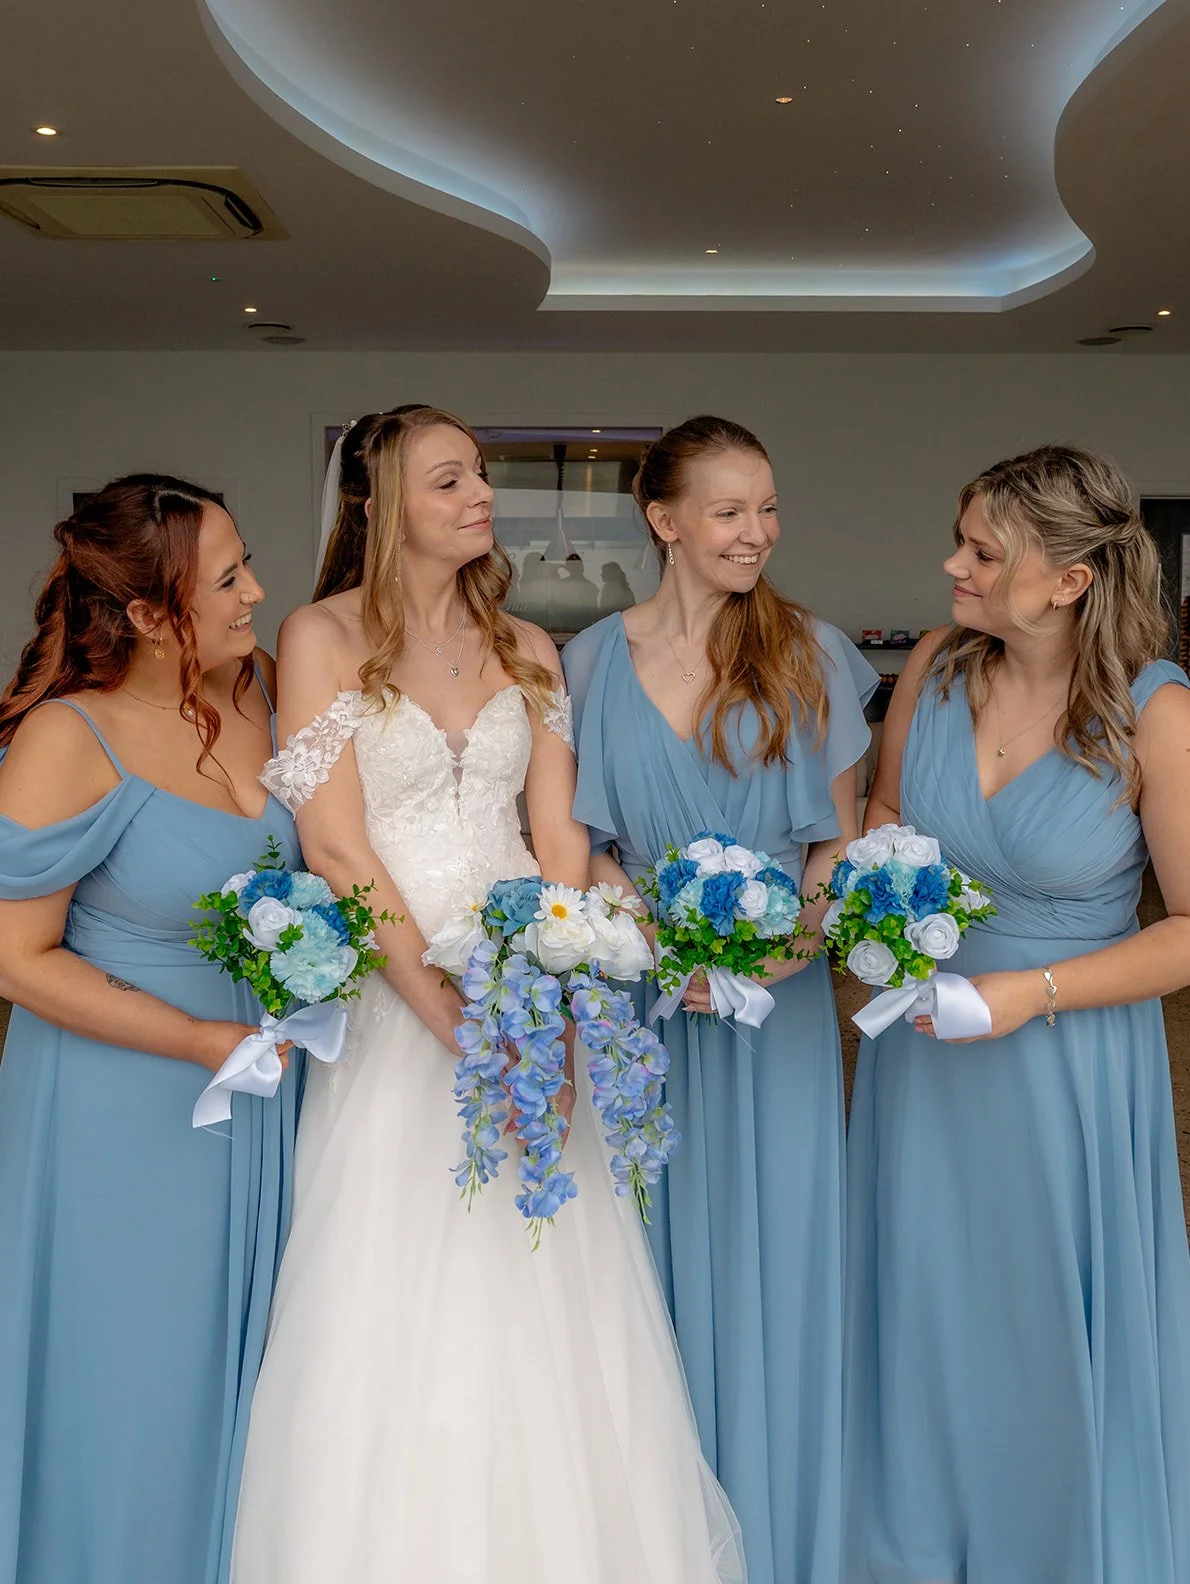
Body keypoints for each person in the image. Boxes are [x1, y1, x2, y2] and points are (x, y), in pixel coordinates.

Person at [231, 405, 745, 1583]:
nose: (480, 497)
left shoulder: (527, 645)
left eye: (477, 475)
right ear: (378, 506)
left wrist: (552, 987)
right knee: (399, 1276)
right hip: (396, 988)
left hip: (525, 978)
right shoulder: (318, 635)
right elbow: (338, 850)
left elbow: (555, 836)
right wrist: (456, 1019)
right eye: (449, 479)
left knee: (547, 1265)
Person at [845, 445, 1190, 1583]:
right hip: (924, 1049)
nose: (953, 565)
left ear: (1068, 580)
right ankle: (913, 1545)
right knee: (924, 1298)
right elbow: (885, 816)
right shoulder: (936, 665)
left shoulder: (1154, 711)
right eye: (961, 541)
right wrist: (873, 916)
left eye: (984, 552)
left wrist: (1024, 993)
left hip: (1064, 1062)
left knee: (1036, 1313)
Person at [563, 414, 877, 1584]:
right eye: (730, 510)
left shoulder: (812, 651)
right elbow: (583, 847)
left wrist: (771, 960)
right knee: (635, 1260)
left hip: (772, 1015)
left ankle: (777, 1538)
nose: (758, 532)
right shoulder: (586, 663)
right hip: (637, 1012)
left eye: (767, 508)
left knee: (776, 1263)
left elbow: (834, 849)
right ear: (664, 520)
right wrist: (654, 950)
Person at [0, 475, 300, 1584]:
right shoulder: (68, 736)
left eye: (245, 562)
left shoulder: (263, 692)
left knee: (248, 1374)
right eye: (226, 578)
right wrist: (196, 1041)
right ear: (146, 613)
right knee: (133, 1380)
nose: (254, 591)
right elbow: (17, 960)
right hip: (120, 1103)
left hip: (259, 1088)